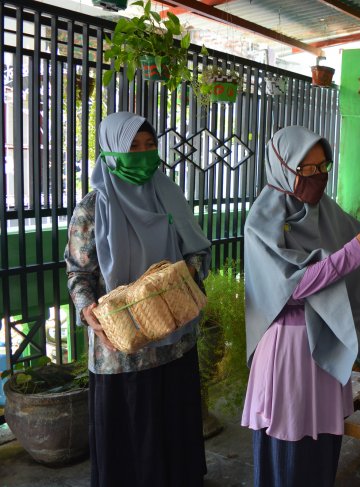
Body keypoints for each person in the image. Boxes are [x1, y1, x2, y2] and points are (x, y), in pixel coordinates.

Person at [242, 126, 360, 487]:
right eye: (308, 169)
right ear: (283, 166)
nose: (318, 177)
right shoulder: (262, 221)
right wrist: (356, 251)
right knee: (288, 451)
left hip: (327, 344)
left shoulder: (324, 211)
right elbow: (295, 287)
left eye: (323, 167)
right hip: (289, 350)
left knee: (321, 452)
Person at [65, 111, 212, 486]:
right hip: (121, 350)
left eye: (150, 146)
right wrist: (88, 310)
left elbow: (198, 251)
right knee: (129, 444)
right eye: (132, 147)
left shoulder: (168, 194)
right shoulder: (92, 207)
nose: (143, 155)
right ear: (112, 150)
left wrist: (175, 281)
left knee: (173, 433)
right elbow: (79, 274)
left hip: (174, 341)